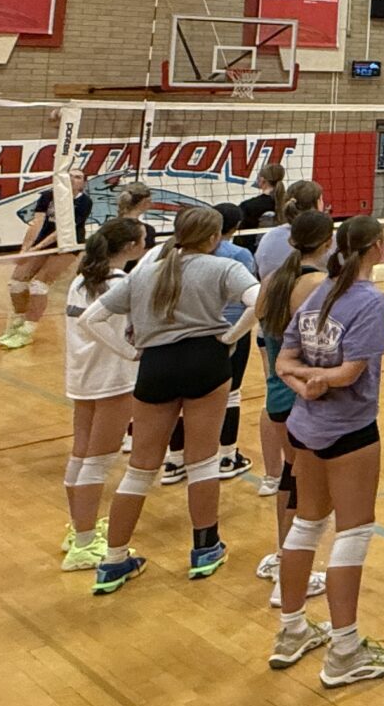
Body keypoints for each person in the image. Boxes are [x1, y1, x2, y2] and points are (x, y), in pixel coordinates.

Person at [267, 217, 384, 686]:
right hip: (349, 429)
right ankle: (345, 651)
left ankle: (291, 630)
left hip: (305, 428)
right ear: (377, 247)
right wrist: (321, 381)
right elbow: (349, 372)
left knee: (307, 523)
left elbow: (283, 361)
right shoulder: (370, 300)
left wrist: (304, 385)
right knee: (353, 532)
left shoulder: (318, 292)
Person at [89, 204, 258, 594]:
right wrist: (230, 337)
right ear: (213, 237)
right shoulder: (223, 267)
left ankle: (113, 561)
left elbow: (90, 318)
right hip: (207, 360)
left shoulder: (145, 271)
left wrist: (130, 353)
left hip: (156, 365)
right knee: (203, 462)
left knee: (139, 469)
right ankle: (205, 548)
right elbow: (261, 299)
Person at [250, 208, 333, 603]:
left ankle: (283, 557)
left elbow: (259, 331)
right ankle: (289, 581)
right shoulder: (318, 284)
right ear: (328, 242)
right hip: (303, 395)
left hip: (277, 393)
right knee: (308, 486)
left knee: (291, 474)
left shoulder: (271, 280)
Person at [59, 216, 145, 569]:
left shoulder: (81, 279)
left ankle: (79, 527)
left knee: (81, 454)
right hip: (112, 378)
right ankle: (83, 544)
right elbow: (97, 324)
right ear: (129, 246)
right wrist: (131, 353)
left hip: (82, 376)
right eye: (143, 239)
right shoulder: (120, 284)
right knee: (98, 460)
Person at [0, 154, 87, 348]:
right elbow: (37, 223)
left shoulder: (84, 202)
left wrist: (37, 248)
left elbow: (61, 231)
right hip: (43, 242)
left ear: (83, 184)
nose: (73, 179)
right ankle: (18, 322)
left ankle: (27, 331)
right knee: (16, 282)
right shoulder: (48, 196)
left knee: (39, 285)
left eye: (78, 177)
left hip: (68, 245)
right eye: (70, 175)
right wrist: (25, 249)